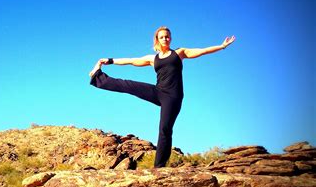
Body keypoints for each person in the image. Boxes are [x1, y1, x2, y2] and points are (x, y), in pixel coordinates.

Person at [89, 26, 236, 167]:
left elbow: (202, 51)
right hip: (158, 91)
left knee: (165, 129)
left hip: (173, 96)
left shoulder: (179, 53)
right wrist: (109, 60)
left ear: (170, 38)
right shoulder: (153, 59)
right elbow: (131, 60)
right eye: (162, 37)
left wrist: (221, 46)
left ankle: (159, 167)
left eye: (167, 36)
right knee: (128, 85)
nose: (165, 39)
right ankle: (98, 78)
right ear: (157, 40)